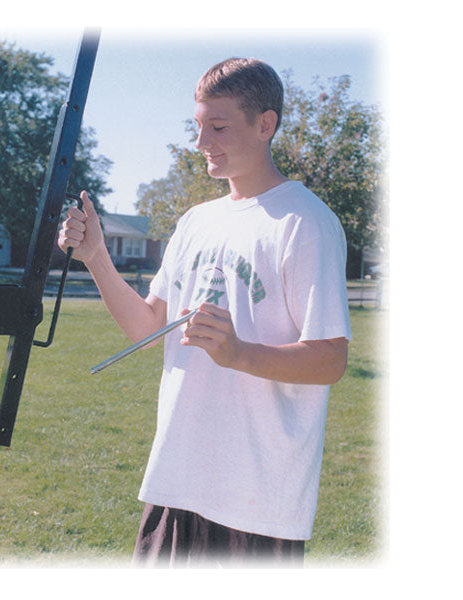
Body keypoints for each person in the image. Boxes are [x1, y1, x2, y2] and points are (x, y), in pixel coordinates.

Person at [58, 57, 352, 567]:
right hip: (176, 481)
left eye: (218, 127)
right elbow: (147, 327)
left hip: (256, 501)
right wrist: (97, 257)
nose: (201, 142)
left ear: (265, 125)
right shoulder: (196, 221)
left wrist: (239, 353)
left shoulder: (305, 223)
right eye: (198, 126)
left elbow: (330, 359)